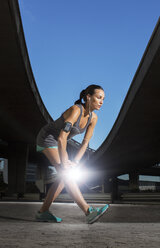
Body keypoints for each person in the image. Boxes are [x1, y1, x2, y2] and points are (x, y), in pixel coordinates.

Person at [35, 84, 109, 224]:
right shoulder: (76, 110)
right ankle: (88, 211)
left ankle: (43, 212)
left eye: (103, 99)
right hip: (47, 138)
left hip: (58, 142)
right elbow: (62, 137)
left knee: (63, 178)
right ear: (88, 97)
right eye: (99, 97)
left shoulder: (93, 118)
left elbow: (85, 143)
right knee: (66, 172)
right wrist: (64, 163)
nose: (101, 101)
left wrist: (75, 162)